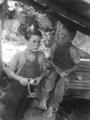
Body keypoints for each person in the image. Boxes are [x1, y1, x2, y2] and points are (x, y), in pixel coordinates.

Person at [2, 30, 48, 120]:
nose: (37, 44)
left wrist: (39, 78)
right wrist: (19, 78)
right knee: (10, 112)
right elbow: (8, 71)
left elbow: (45, 71)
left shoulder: (41, 56)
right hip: (15, 90)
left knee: (22, 111)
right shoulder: (19, 55)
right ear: (27, 42)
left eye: (39, 42)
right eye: (34, 41)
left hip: (29, 91)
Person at [41, 21, 81, 118]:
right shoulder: (55, 46)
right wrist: (55, 67)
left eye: (65, 36)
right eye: (61, 33)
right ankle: (44, 98)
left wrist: (69, 71)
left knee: (61, 84)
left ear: (71, 38)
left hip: (67, 72)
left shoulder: (73, 50)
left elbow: (77, 65)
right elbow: (50, 60)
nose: (62, 37)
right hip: (55, 69)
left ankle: (52, 107)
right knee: (50, 79)